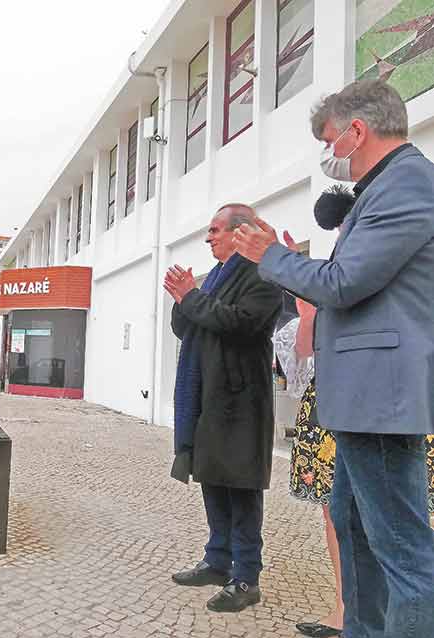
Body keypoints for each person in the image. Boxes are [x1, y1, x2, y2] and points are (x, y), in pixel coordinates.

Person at [234, 79, 434, 638]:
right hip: (364, 397)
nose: (329, 154)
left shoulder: (406, 183)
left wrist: (273, 256)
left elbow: (344, 282)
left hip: (380, 397)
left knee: (402, 548)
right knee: (353, 523)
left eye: (329, 141)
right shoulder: (384, 187)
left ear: (357, 131)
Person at [274, 189, 434, 638]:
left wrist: (290, 270)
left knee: (399, 536)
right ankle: (349, 615)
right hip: (340, 406)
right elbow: (308, 345)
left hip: (386, 406)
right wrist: (308, 307)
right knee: (345, 516)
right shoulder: (342, 266)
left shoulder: (397, 246)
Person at [166, 204, 282, 613]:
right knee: (213, 478)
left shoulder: (263, 275)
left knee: (241, 487)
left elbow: (240, 323)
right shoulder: (215, 277)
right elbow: (186, 327)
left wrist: (191, 297)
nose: (208, 237)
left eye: (215, 230)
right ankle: (217, 561)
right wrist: (183, 300)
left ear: (239, 232)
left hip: (241, 400)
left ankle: (246, 577)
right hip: (207, 396)